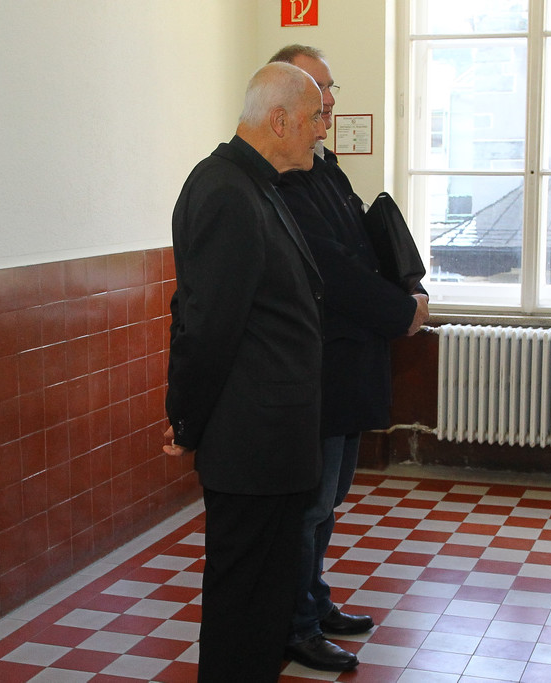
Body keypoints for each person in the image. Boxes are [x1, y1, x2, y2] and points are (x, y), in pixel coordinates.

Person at [267, 44, 430, 672]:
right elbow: (332, 271)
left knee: (328, 501)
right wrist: (401, 312)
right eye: (318, 90)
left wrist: (405, 287)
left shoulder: (323, 166)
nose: (330, 101)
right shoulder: (283, 178)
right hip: (318, 369)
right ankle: (296, 624)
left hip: (350, 363)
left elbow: (361, 242)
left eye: (331, 88)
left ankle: (314, 601)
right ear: (285, 100)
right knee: (309, 505)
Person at [163, 62, 328, 681]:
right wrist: (186, 421)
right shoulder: (227, 191)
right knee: (243, 602)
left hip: (272, 442)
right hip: (250, 443)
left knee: (266, 601)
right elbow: (206, 325)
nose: (322, 129)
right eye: (314, 117)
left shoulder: (255, 185)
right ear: (278, 120)